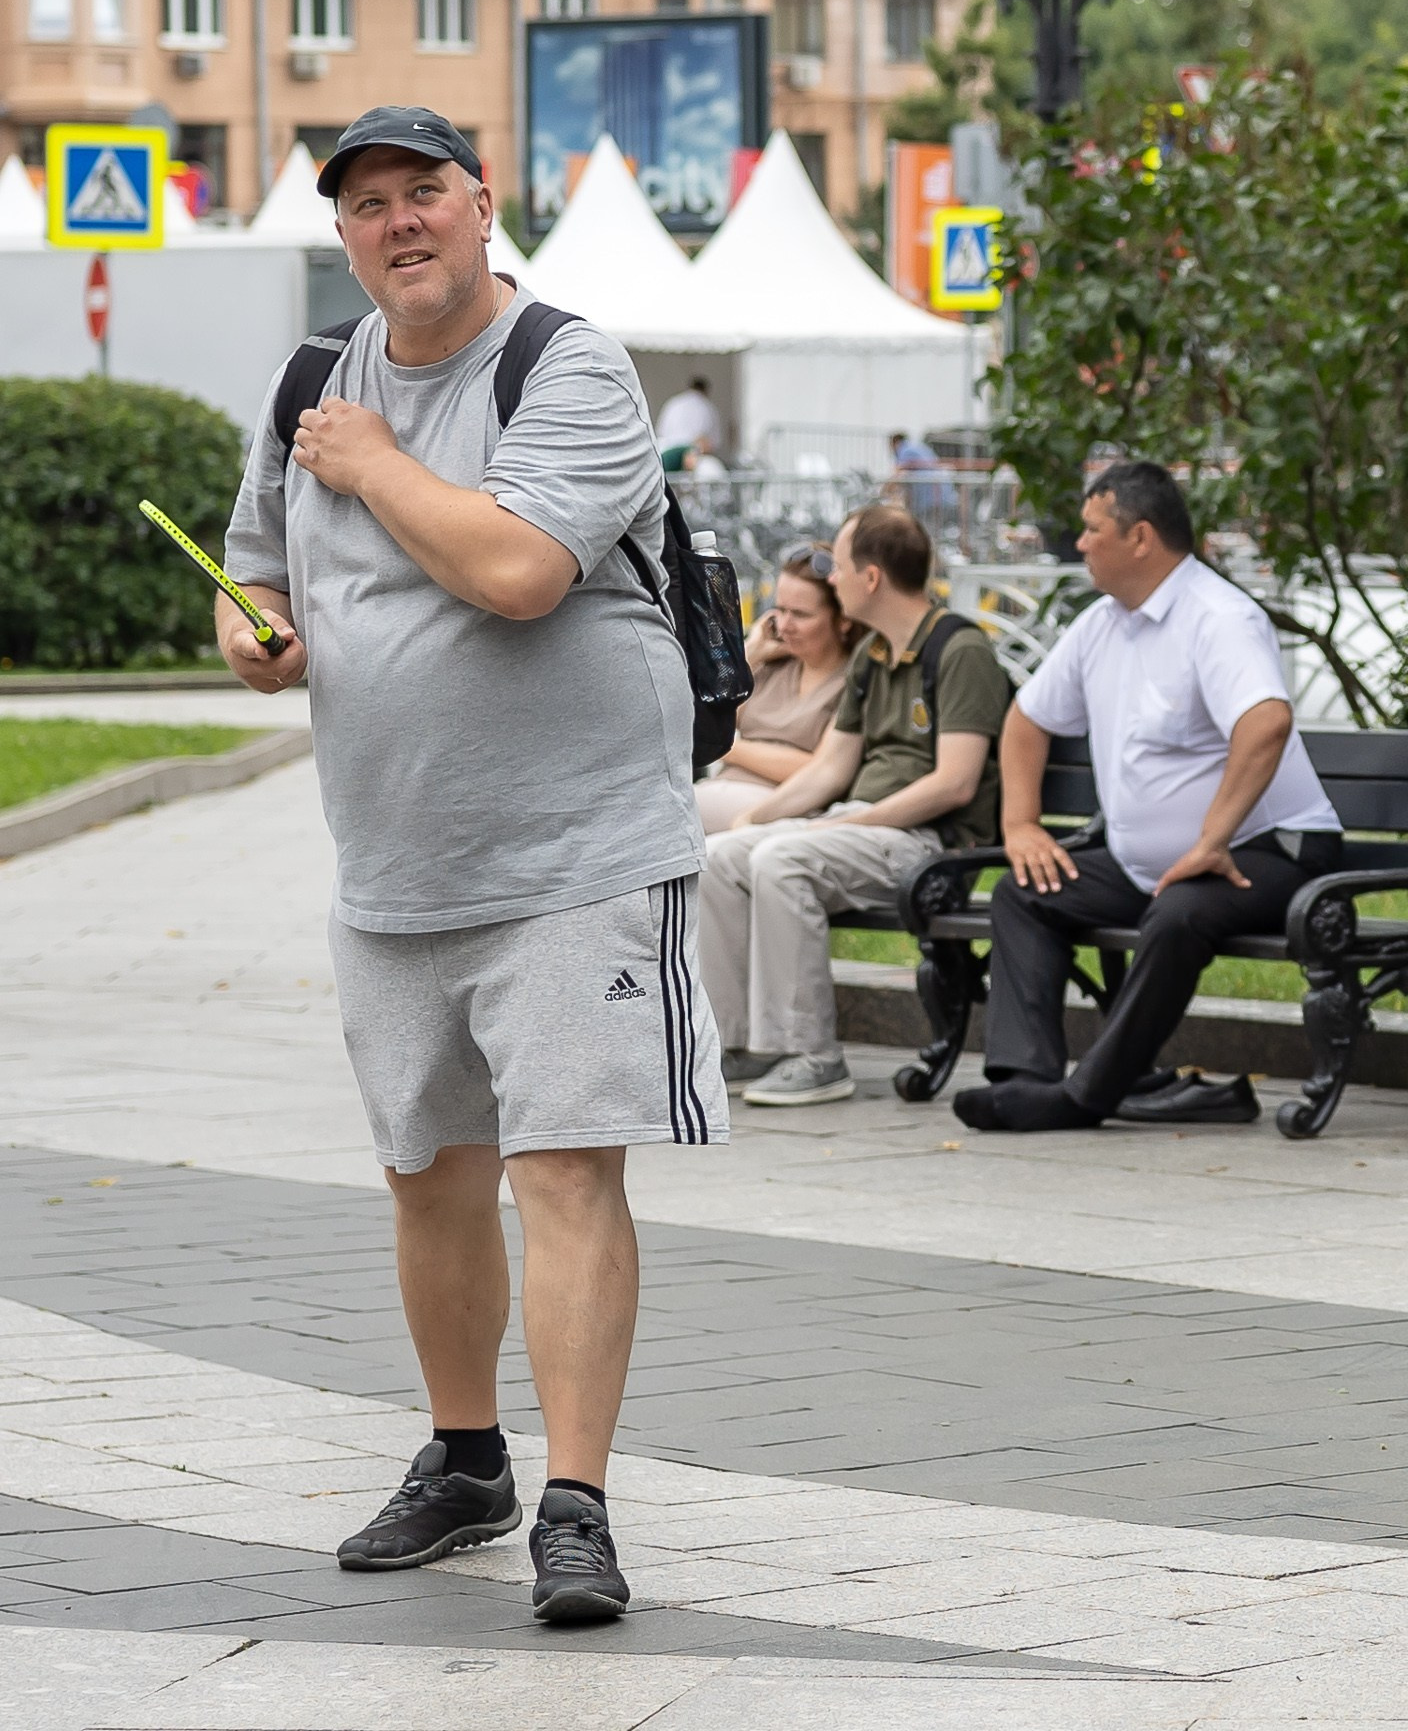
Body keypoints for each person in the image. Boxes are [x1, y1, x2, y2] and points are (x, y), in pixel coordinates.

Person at [217, 103, 722, 1627]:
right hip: (392, 860)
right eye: (365, 204)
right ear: (347, 237)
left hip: (576, 846)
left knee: (563, 1167)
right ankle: (465, 1461)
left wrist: (371, 465)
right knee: (428, 1175)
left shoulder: (565, 366)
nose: (398, 220)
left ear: (484, 204)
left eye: (421, 189)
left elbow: (516, 570)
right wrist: (250, 633)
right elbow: (253, 565)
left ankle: (579, 1505)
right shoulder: (311, 379)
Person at [953, 461, 1343, 1134]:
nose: (1079, 544)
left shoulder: (1218, 617)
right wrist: (1020, 824)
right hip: (1154, 866)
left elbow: (1266, 721)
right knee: (1025, 892)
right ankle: (1026, 1078)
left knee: (1179, 913)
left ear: (1140, 538)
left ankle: (1085, 1098)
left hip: (1269, 850)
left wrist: (1211, 839)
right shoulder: (1104, 623)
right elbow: (1027, 720)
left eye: (1092, 530)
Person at [698, 504, 1005, 1107]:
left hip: (931, 846)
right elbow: (832, 769)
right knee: (720, 856)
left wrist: (856, 817)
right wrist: (754, 819)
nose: (832, 581)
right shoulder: (876, 655)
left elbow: (955, 784)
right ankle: (733, 1046)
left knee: (782, 862)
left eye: (838, 568)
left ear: (871, 578)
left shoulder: (961, 650)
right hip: (864, 830)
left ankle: (814, 1055)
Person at [695, 546, 856, 832]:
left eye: (801, 614)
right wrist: (751, 654)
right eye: (780, 610)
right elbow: (702, 722)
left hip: (778, 808)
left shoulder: (851, 681)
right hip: (720, 793)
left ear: (842, 620)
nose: (785, 625)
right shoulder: (771, 666)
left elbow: (819, 769)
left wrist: (728, 747)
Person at [655, 376, 723, 458]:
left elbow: (660, 432)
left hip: (666, 453)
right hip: (690, 457)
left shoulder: (673, 403)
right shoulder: (708, 407)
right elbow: (713, 443)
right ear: (705, 391)